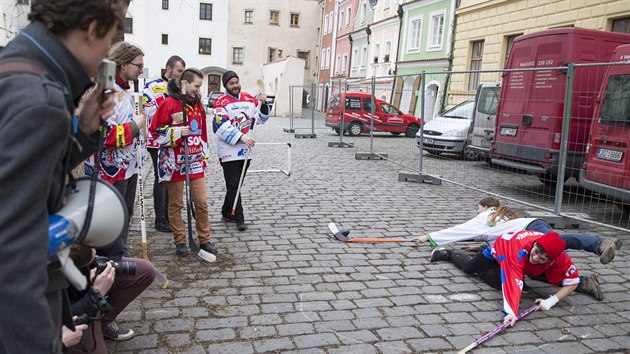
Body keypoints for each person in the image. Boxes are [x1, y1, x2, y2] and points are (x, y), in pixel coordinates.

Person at [0, 1, 123, 352]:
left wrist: (84, 129)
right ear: (90, 29)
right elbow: (13, 254)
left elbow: (33, 171)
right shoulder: (41, 99)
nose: (105, 54)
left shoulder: (17, 68)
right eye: (109, 40)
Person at [430, 231, 597, 325]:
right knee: (471, 269)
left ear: (552, 259)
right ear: (535, 244)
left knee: (521, 277)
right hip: (498, 254)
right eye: (537, 251)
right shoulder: (518, 251)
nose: (537, 257)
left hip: (524, 266)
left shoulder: (561, 257)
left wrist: (550, 301)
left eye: (543, 257)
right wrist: (510, 313)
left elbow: (573, 282)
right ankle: (448, 253)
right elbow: (512, 283)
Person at [416, 197, 623, 264]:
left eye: (478, 207)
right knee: (544, 264)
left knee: (556, 241)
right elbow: (497, 237)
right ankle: (584, 283)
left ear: (487, 207)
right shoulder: (502, 218)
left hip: (529, 229)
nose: (476, 211)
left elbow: (462, 230)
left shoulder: (487, 215)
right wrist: (479, 246)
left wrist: (430, 237)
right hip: (524, 233)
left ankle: (600, 244)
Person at [86, 41, 146, 260]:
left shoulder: (122, 90)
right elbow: (103, 135)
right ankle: (111, 261)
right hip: (109, 170)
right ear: (121, 64)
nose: (141, 70)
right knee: (112, 218)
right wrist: (135, 127)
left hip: (127, 167)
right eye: (138, 66)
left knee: (124, 214)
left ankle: (119, 253)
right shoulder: (105, 90)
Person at [150, 68, 217, 256]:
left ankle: (205, 239)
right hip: (174, 162)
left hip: (194, 160)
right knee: (176, 204)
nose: (198, 90)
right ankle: (180, 241)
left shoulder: (198, 105)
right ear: (185, 84)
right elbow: (155, 132)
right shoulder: (169, 104)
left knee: (201, 202)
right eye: (196, 86)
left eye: (200, 86)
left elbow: (203, 132)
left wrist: (204, 153)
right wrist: (177, 133)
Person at [64, 244, 156, 353]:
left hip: (79, 279)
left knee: (145, 270)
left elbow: (113, 249)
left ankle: (104, 322)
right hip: (61, 322)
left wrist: (103, 261)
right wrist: (94, 296)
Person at [212, 71, 270, 231]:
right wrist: (241, 137)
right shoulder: (220, 102)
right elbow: (219, 125)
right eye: (231, 83)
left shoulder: (249, 99)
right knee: (234, 185)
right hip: (228, 150)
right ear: (225, 86)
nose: (235, 85)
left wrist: (263, 104)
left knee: (236, 185)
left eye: (237, 82)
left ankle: (226, 212)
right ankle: (239, 219)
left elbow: (261, 119)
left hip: (246, 151)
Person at [142, 55, 186, 233]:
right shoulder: (152, 86)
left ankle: (170, 215)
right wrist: (168, 100)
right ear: (169, 69)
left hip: (175, 139)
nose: (181, 75)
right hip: (156, 140)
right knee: (161, 177)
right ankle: (160, 219)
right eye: (179, 71)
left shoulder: (181, 88)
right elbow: (149, 110)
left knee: (172, 177)